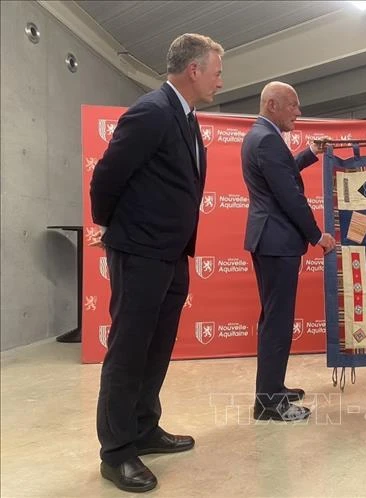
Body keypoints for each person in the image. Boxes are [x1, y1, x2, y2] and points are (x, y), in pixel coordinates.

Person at [90, 34, 223, 492]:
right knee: (129, 351)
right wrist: (114, 229)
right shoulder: (151, 111)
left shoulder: (185, 118)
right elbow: (106, 177)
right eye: (216, 71)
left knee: (156, 347)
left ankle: (144, 427)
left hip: (171, 253)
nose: (220, 81)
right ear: (193, 70)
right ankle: (117, 452)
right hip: (140, 250)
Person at [241, 81, 335, 422]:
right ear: (272, 105)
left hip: (271, 240)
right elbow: (289, 197)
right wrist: (317, 236)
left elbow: (282, 175)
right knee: (277, 322)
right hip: (276, 241)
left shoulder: (261, 136)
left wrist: (309, 152)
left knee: (274, 320)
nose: (298, 111)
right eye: (293, 105)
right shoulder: (267, 139)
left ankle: (273, 389)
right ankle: (268, 403)